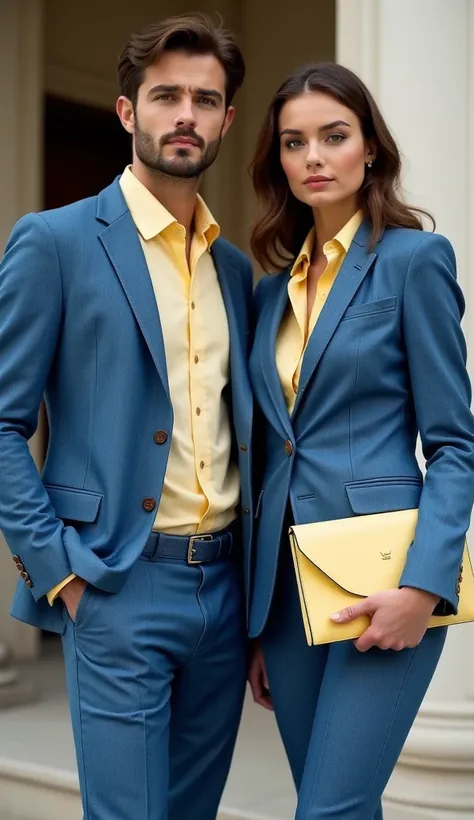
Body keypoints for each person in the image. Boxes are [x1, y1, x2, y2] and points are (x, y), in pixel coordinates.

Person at [0, 14, 255, 820]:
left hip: (226, 591)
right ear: (127, 112)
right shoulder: (55, 243)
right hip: (114, 581)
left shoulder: (237, 271)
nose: (186, 114)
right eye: (167, 95)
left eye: (205, 99)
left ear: (226, 120)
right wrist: (62, 573)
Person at [247, 62, 474, 819]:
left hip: (386, 580)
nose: (313, 157)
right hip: (286, 591)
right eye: (294, 142)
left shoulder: (413, 262)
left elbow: (454, 444)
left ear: (369, 148)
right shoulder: (267, 293)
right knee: (334, 802)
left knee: (330, 809)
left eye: (333, 137)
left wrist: (424, 587)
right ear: (277, 159)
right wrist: (257, 621)